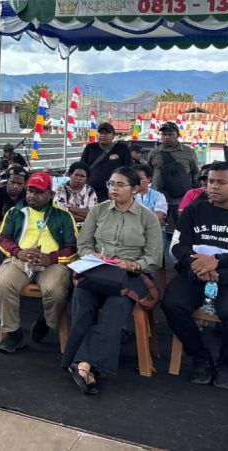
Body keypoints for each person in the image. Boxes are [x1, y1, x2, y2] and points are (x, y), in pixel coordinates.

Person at [162, 161, 228, 390]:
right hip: (195, 273)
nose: (213, 186)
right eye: (210, 181)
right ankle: (200, 357)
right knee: (172, 304)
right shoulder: (193, 212)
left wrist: (217, 261)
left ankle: (226, 363)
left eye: (221, 182)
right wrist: (198, 265)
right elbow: (177, 246)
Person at [62, 166, 162, 394]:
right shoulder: (98, 211)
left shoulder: (147, 218)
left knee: (116, 305)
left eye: (120, 185)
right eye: (111, 184)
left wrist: (133, 264)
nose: (113, 189)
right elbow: (84, 243)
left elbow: (154, 258)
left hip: (130, 274)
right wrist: (92, 255)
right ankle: (85, 363)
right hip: (99, 269)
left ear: (135, 189)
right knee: (82, 298)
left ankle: (84, 363)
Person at [0, 172, 77, 353]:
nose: (32, 195)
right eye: (30, 191)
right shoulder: (14, 212)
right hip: (20, 260)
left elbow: (72, 248)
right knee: (4, 284)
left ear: (51, 194)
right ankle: (13, 332)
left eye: (39, 192)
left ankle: (46, 321)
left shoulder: (63, 216)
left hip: (52, 263)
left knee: (55, 291)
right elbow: (3, 239)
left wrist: (51, 258)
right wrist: (19, 252)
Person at [147, 121, 200, 234]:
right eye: (164, 134)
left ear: (178, 135)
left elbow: (195, 173)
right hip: (159, 199)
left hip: (181, 200)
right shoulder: (154, 152)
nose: (167, 137)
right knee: (155, 230)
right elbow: (149, 172)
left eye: (170, 134)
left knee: (182, 230)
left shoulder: (189, 152)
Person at [79, 122, 132, 201]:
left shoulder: (122, 148)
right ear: (97, 135)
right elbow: (82, 167)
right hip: (91, 192)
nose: (103, 135)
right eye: (101, 133)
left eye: (106, 133)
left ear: (113, 136)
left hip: (114, 191)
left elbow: (129, 169)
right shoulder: (90, 148)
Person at [0, 166, 27, 237]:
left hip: (19, 226)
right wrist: (11, 231)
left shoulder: (26, 194)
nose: (15, 186)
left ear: (24, 184)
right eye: (12, 182)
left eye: (19, 183)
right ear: (7, 180)